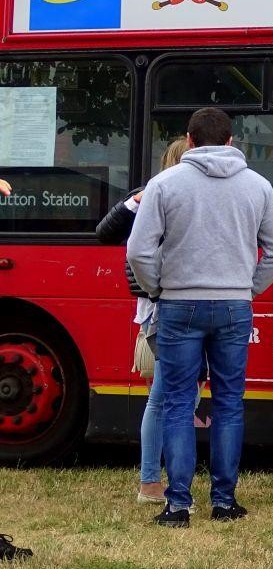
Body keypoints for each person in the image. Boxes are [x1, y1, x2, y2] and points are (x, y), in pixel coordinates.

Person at [127, 107, 273, 528]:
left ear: (190, 139)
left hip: (179, 303)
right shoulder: (258, 185)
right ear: (232, 141)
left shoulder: (164, 184)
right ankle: (224, 500)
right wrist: (249, 287)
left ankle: (178, 504)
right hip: (235, 305)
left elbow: (138, 252)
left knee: (178, 403)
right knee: (230, 403)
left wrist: (157, 288)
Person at [96, 137, 188, 505]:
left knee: (174, 395)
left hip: (170, 307)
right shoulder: (153, 196)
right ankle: (150, 480)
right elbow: (107, 233)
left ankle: (159, 478)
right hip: (162, 309)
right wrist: (136, 200)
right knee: (164, 396)